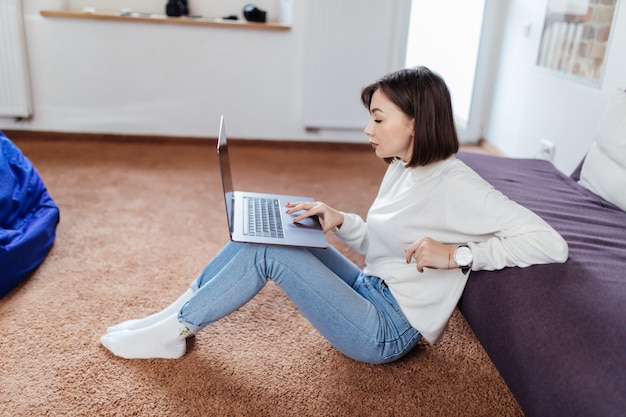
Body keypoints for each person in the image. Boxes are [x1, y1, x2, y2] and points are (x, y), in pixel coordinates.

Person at [100, 66, 568, 363]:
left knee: (268, 254)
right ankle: (173, 315)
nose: (368, 129)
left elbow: (550, 243)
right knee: (274, 230)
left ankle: (175, 330)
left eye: (379, 119)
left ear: (417, 123)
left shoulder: (458, 185)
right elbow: (382, 241)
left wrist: (457, 255)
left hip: (386, 330)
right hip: (369, 286)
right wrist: (340, 219)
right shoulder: (405, 166)